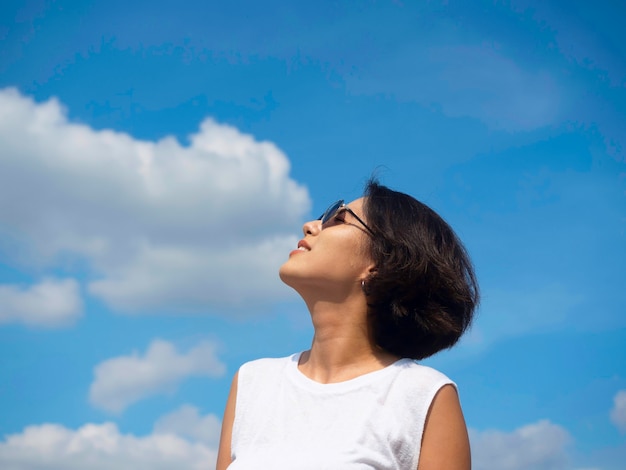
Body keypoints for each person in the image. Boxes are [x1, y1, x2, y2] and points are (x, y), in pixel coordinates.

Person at [216, 179, 479, 470]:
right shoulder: (253, 382)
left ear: (380, 262)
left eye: (339, 220)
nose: (310, 226)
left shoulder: (423, 394)